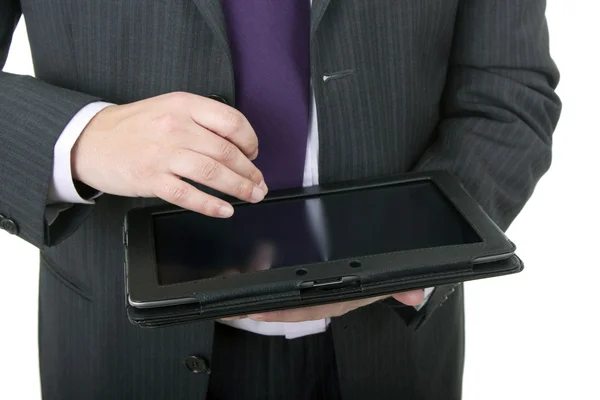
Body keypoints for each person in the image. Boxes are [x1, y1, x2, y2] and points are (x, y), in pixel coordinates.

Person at [0, 1, 561, 399]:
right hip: (119, 348)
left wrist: (409, 252)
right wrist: (75, 139)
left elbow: (507, 95)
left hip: (389, 352)